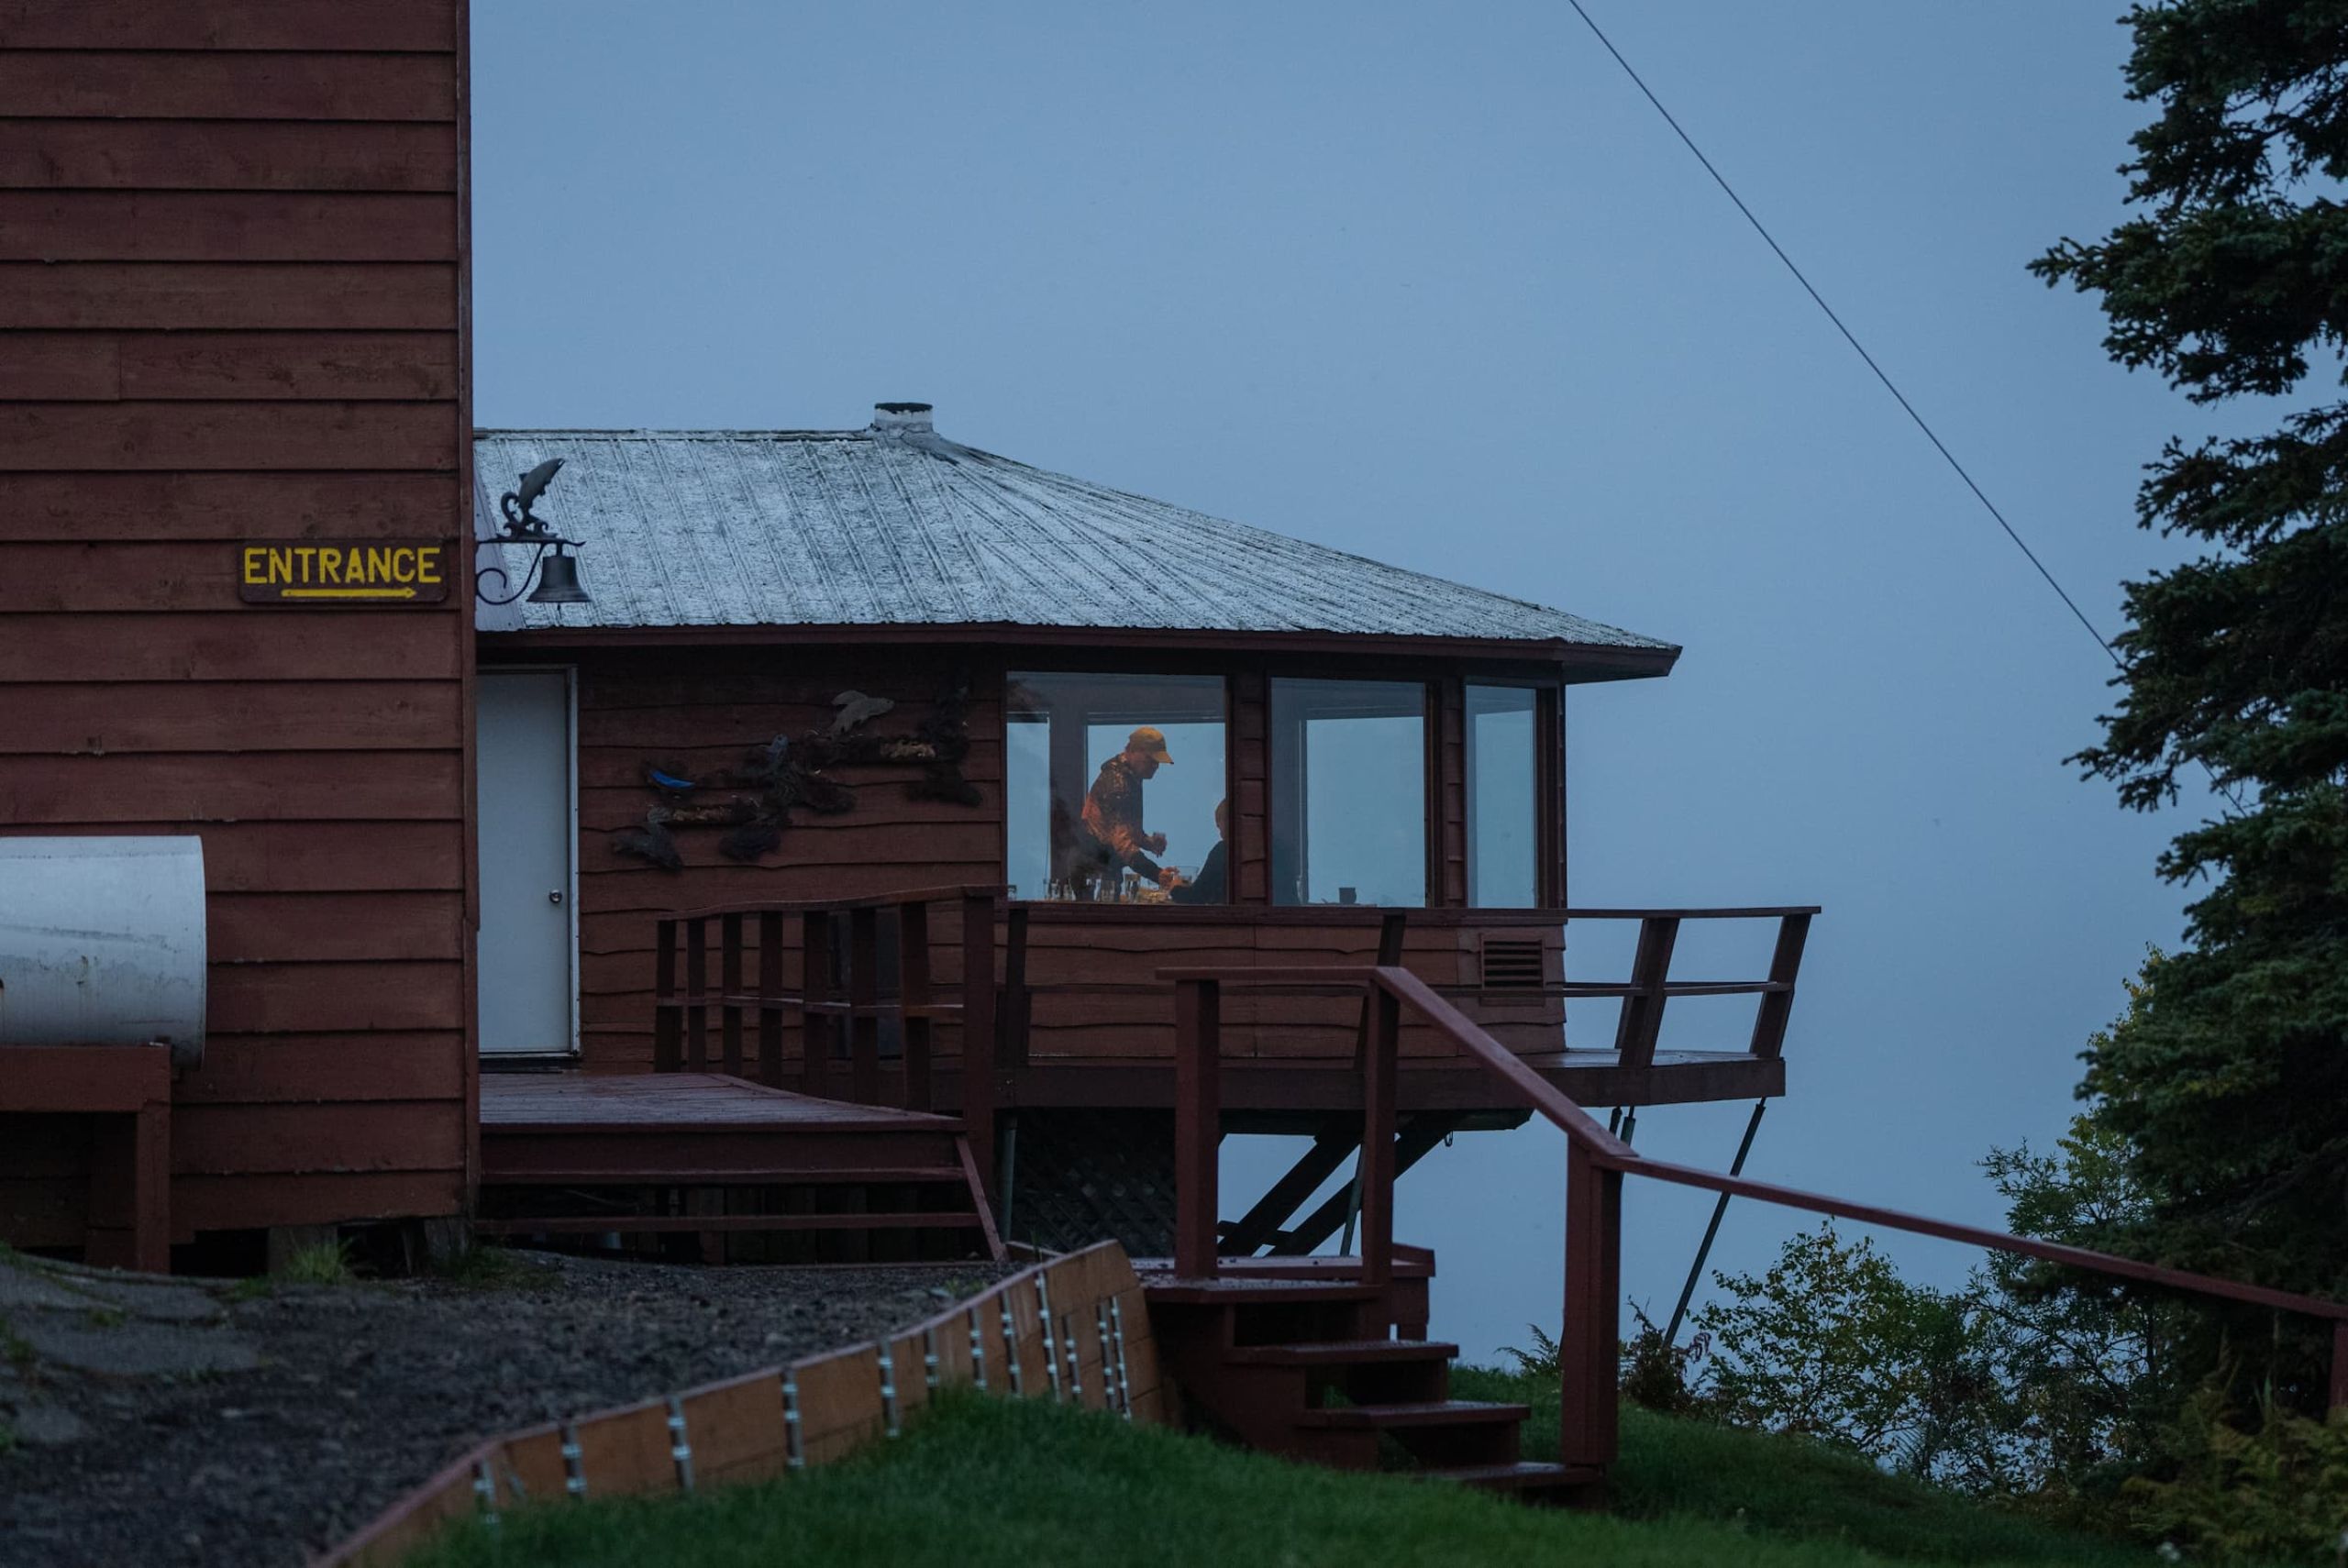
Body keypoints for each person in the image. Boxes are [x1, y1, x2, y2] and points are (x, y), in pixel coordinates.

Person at [1076, 725, 1180, 897]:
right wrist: (1157, 874)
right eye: (1151, 760)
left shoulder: (1130, 777)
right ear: (1133, 751)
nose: (1155, 766)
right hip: (1092, 871)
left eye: (1157, 762)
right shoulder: (1118, 784)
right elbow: (1123, 844)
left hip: (1104, 865)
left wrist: (1149, 843)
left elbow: (1123, 830)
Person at [1169, 799, 1230, 904]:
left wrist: (1175, 888)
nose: (1219, 832)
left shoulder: (1222, 850)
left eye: (1219, 826)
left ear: (1225, 821)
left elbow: (1196, 897)